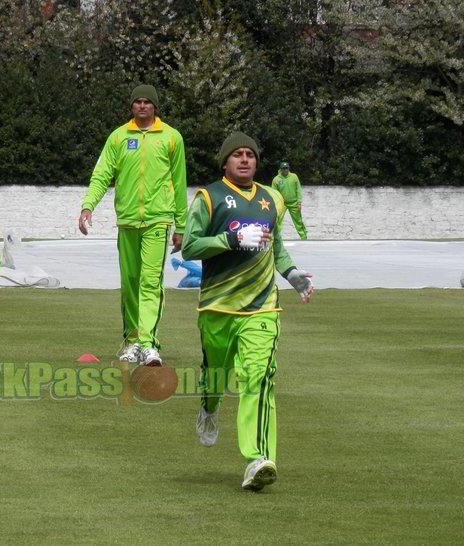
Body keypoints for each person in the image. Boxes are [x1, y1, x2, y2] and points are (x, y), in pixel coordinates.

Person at [181, 132, 313, 492]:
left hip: (262, 308)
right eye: (237, 155)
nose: (244, 160)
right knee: (215, 377)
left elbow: (277, 246)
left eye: (250, 155)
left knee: (259, 378)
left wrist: (293, 274)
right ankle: (209, 409)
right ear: (224, 162)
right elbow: (189, 247)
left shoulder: (274, 198)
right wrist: (230, 239)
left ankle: (258, 460)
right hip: (217, 307)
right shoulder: (208, 197)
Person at [78, 84, 187, 366]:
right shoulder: (117, 137)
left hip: (157, 221)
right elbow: (102, 174)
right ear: (131, 106)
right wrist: (88, 205)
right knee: (130, 285)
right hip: (127, 222)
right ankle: (131, 341)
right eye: (137, 102)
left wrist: (182, 226)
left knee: (151, 283)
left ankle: (149, 344)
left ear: (154, 107)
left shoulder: (172, 137)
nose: (142, 106)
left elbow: (179, 183)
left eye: (147, 102)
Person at [271, 161, 307, 239]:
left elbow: (298, 190)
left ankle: (304, 238)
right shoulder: (276, 179)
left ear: (289, 168)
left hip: (294, 203)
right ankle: (275, 238)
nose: (285, 170)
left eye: (286, 168)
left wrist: (299, 203)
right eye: (284, 168)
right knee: (278, 221)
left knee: (298, 221)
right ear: (280, 169)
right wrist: (276, 205)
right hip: (282, 203)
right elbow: (274, 193)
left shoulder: (294, 177)